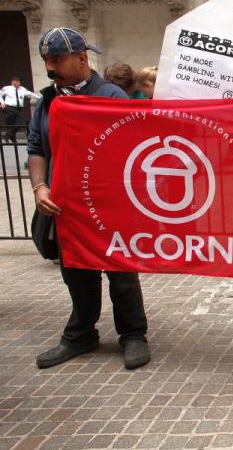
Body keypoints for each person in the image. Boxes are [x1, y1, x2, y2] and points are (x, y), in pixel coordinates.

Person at [27, 27, 151, 369]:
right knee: (76, 273)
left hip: (111, 206)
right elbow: (37, 149)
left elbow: (131, 148)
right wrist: (40, 187)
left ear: (82, 58)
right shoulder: (48, 101)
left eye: (56, 59)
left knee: (121, 272)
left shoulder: (111, 96)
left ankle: (134, 334)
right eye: (46, 60)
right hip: (66, 208)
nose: (50, 67)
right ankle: (81, 334)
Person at [1, 76, 40, 143]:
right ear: (12, 82)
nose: (18, 83)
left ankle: (7, 136)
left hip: (19, 109)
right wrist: (2, 102)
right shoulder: (7, 88)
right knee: (11, 124)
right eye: (16, 81)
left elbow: (30, 94)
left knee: (19, 123)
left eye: (19, 81)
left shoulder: (22, 89)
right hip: (9, 108)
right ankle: (12, 138)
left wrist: (40, 98)